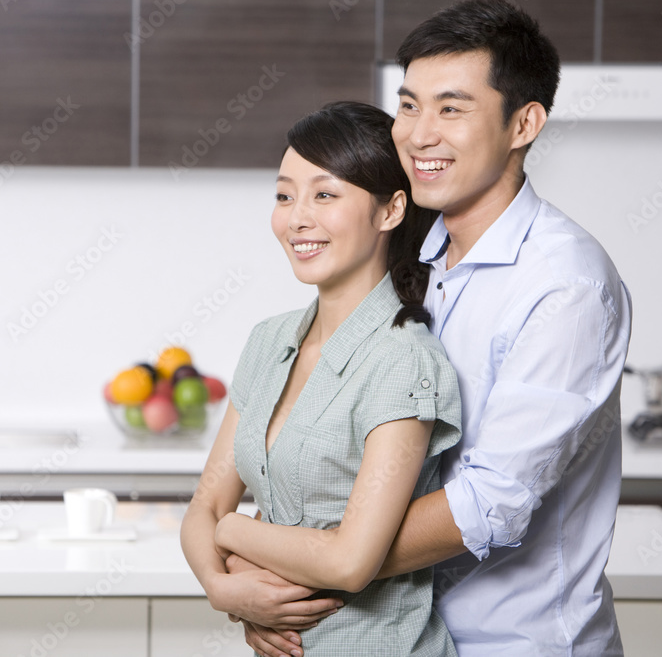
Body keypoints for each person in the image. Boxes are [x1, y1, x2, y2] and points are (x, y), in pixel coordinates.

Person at [233, 0, 632, 657]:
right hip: (388, 637)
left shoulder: (566, 286)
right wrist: (265, 588)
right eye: (409, 105)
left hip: (508, 645)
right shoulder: (404, 258)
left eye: (451, 108)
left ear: (524, 123)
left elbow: (490, 503)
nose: (418, 134)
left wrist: (288, 569)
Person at [180, 101, 463, 655]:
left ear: (390, 210)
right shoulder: (270, 340)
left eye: (325, 195)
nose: (297, 217)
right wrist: (225, 589)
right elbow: (206, 503)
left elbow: (349, 562)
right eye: (285, 195)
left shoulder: (402, 361)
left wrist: (234, 534)